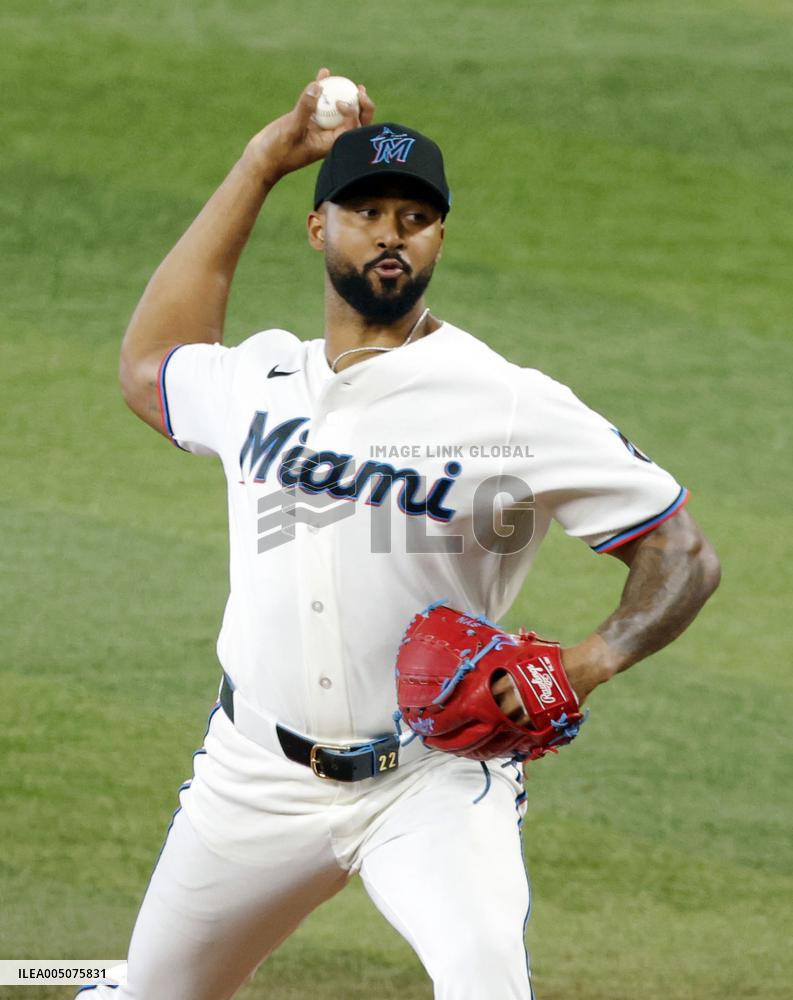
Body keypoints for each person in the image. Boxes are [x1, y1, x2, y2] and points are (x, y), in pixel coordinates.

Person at [80, 69, 720, 1000]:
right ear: (319, 228)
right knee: (150, 994)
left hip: (433, 778)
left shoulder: (506, 402)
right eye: (365, 210)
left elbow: (682, 553)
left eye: (413, 217)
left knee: (484, 983)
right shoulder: (258, 381)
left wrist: (582, 664)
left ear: (438, 239)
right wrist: (260, 162)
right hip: (254, 777)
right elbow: (149, 366)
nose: (389, 231)